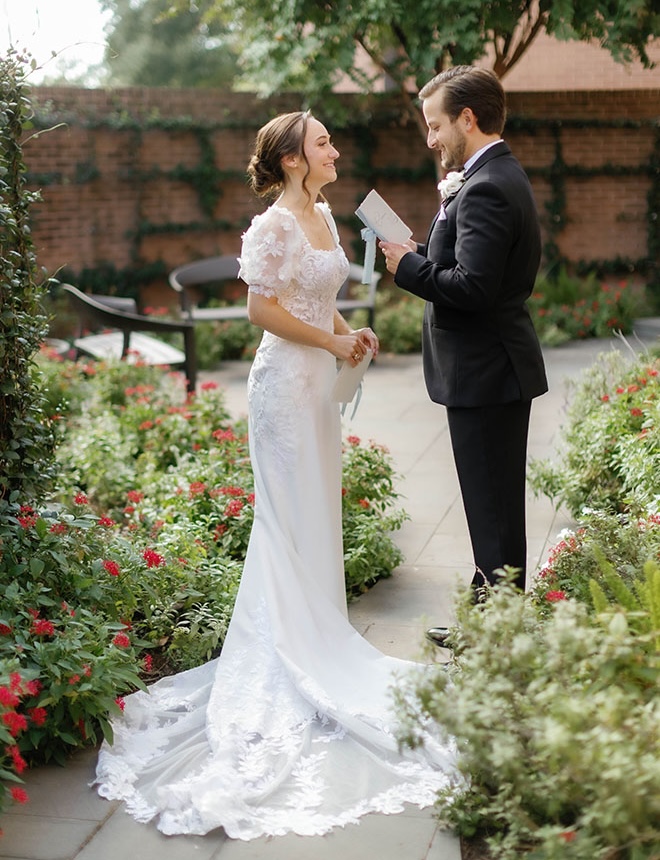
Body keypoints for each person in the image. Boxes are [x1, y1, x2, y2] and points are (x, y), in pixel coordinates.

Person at [93, 110, 456, 839]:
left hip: (318, 384)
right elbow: (262, 311)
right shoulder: (274, 227)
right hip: (283, 390)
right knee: (287, 522)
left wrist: (346, 337)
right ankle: (291, 656)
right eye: (323, 143)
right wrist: (328, 337)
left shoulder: (323, 211)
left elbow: (317, 302)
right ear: (293, 159)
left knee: (317, 520)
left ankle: (319, 634)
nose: (335, 150)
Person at [379, 66, 548, 647]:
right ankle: (490, 617)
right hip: (487, 369)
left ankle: (499, 634)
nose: (431, 140)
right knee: (490, 503)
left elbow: (474, 289)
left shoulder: (487, 186)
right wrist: (424, 251)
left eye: (435, 125)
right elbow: (475, 268)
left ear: (467, 119)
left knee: (493, 504)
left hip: (487, 371)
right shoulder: (488, 177)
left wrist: (409, 268)